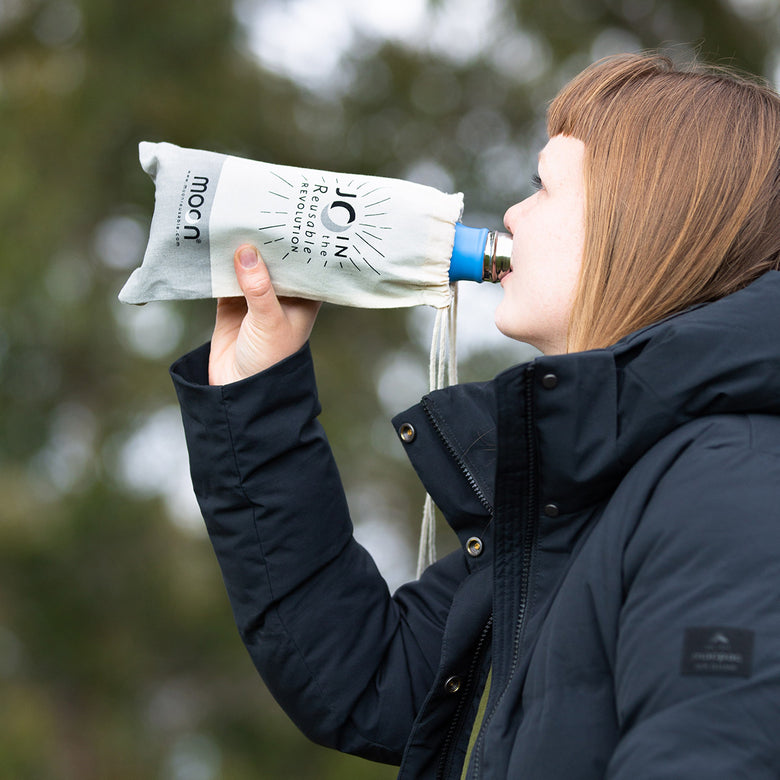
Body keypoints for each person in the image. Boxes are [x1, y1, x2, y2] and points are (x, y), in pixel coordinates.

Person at [170, 53, 780, 778]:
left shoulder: (729, 485)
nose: (514, 215)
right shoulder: (594, 495)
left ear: (642, 219)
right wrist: (256, 390)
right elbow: (370, 683)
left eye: (542, 187)